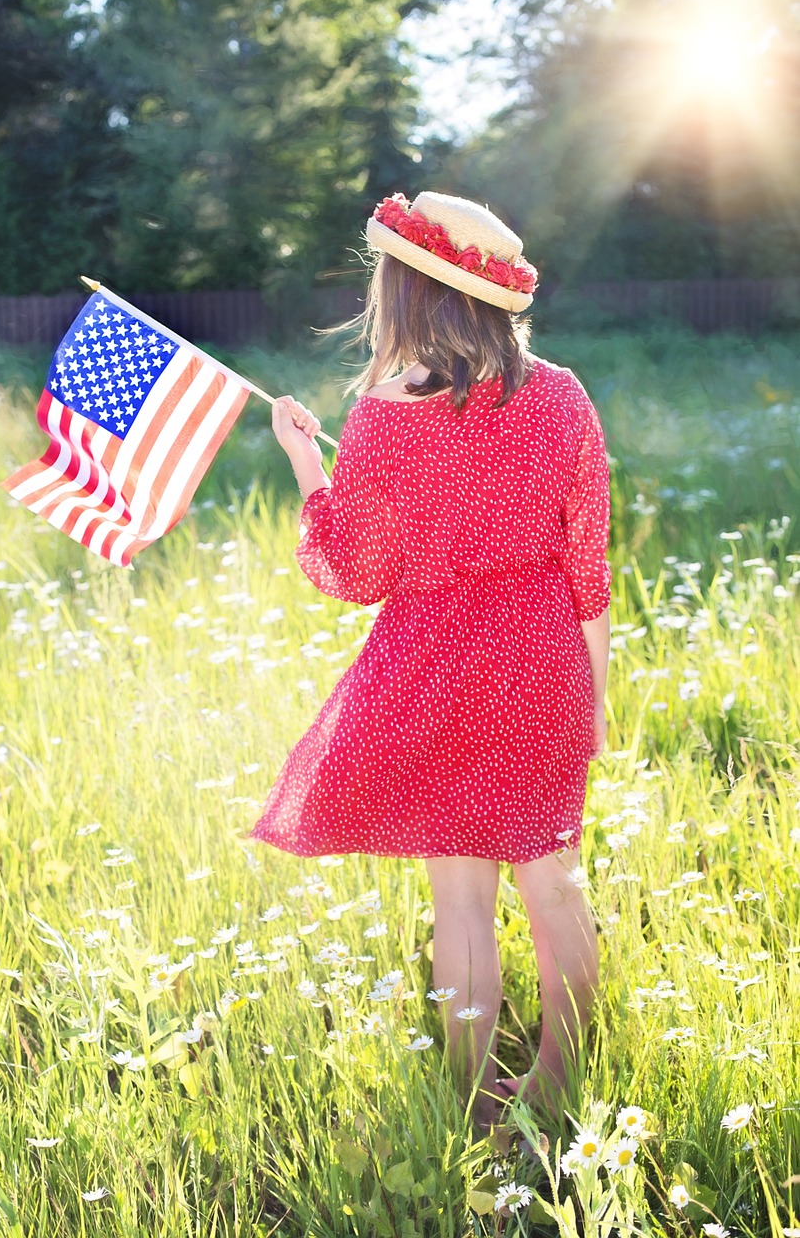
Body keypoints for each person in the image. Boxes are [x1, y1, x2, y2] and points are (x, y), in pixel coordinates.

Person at [248, 190, 611, 1135]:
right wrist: (595, 702)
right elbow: (589, 567)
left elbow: (356, 572)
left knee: (460, 901)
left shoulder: (376, 418)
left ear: (407, 293)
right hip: (539, 658)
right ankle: (562, 1077)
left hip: (434, 665)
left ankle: (477, 1105)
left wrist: (304, 460)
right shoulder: (562, 395)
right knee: (554, 880)